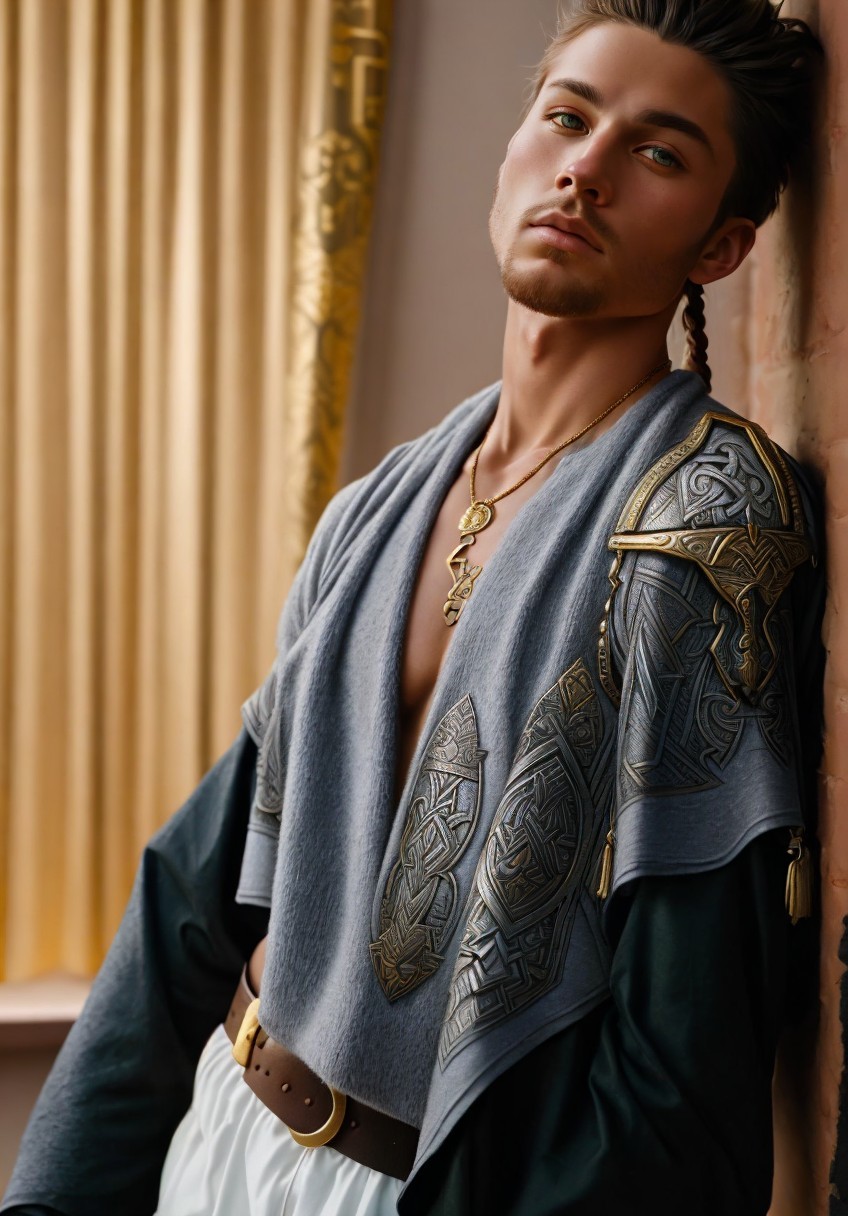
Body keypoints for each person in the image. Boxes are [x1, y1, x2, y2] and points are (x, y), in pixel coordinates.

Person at [2, 1, 825, 1213]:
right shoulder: (384, 500)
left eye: (656, 153)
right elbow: (196, 889)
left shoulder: (703, 523)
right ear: (512, 154)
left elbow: (678, 1064)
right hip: (223, 1125)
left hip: (418, 1180)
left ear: (719, 247)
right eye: (566, 117)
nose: (584, 170)